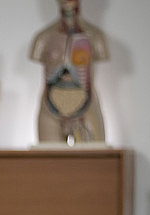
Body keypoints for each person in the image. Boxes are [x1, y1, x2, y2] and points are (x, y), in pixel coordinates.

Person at [29, 0, 108, 144]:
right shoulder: (43, 38)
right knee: (48, 157)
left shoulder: (95, 37)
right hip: (50, 106)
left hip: (86, 105)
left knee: (93, 156)